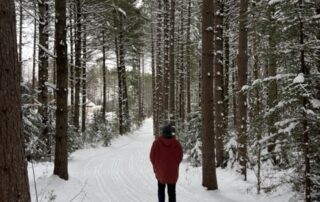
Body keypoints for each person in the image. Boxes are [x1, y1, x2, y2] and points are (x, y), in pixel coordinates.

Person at [150, 124, 183, 202]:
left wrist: (156, 165)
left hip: (160, 171)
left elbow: (152, 156)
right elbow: (180, 156)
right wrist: (175, 164)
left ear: (163, 132)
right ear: (171, 132)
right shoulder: (176, 143)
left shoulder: (157, 143)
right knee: (172, 192)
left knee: (161, 190)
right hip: (172, 172)